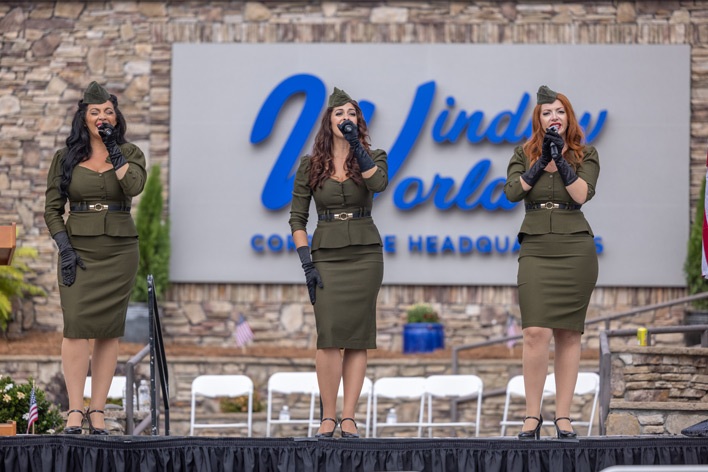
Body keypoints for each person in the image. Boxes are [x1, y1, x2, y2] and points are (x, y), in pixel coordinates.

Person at [44, 81, 147, 435]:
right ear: (83, 118)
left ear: (116, 117)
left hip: (119, 250)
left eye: (108, 111)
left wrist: (114, 152)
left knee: (107, 332)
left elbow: (133, 187)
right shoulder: (65, 158)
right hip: (79, 250)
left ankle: (98, 410)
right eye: (95, 112)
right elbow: (52, 209)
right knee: (75, 327)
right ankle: (75, 409)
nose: (103, 116)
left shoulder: (131, 152)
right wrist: (65, 247)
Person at [289, 87, 388, 438]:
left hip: (365, 254)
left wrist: (357, 148)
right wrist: (307, 264)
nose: (345, 118)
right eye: (338, 113)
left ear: (357, 121)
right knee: (329, 336)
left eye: (351, 114)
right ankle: (327, 416)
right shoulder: (310, 165)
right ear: (327, 121)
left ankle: (349, 418)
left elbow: (379, 183)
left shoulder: (374, 156)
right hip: (327, 255)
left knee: (358, 337)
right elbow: (297, 220)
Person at [503, 85, 600, 440]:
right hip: (537, 247)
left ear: (568, 117)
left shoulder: (585, 153)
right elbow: (513, 192)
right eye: (547, 113)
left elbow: (582, 195)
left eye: (559, 111)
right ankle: (532, 416)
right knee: (534, 332)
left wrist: (560, 159)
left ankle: (563, 417)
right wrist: (542, 159)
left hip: (575, 247)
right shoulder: (523, 153)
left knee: (569, 333)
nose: (553, 117)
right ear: (538, 120)